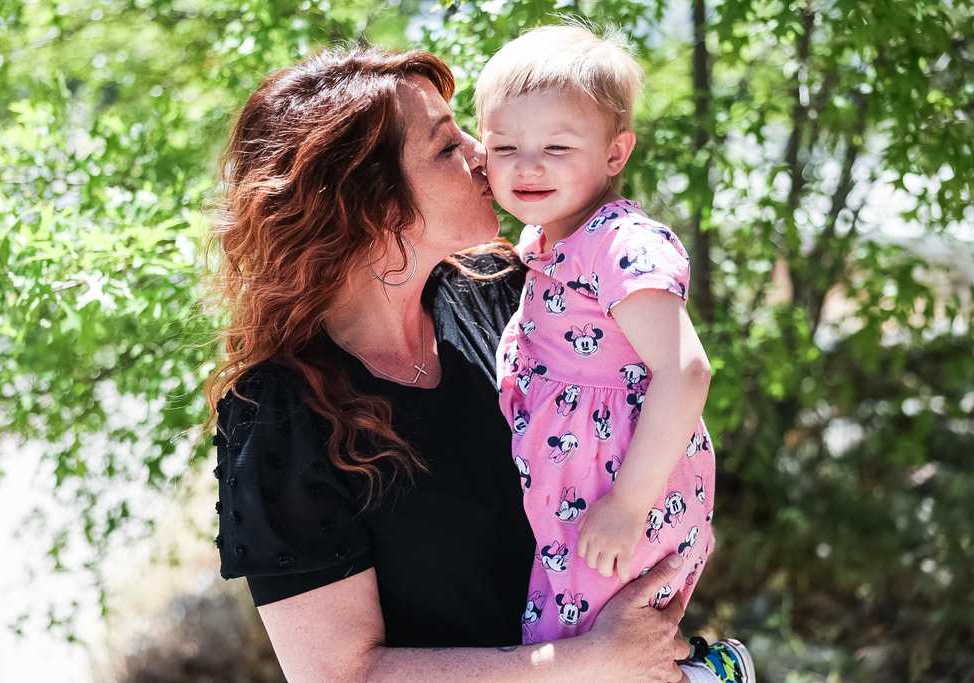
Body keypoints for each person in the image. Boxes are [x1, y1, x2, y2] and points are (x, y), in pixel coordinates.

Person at [204, 45, 695, 681]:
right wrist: (591, 662)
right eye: (445, 146)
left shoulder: (509, 293)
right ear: (375, 208)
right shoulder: (279, 412)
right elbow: (338, 674)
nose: (481, 152)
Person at [476, 25, 754, 682]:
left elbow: (686, 368)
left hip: (625, 483)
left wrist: (629, 503)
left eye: (557, 146)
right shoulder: (544, 238)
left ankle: (705, 675)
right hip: (575, 488)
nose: (528, 165)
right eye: (505, 146)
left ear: (614, 153)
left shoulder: (621, 241)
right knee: (575, 646)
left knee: (594, 651)